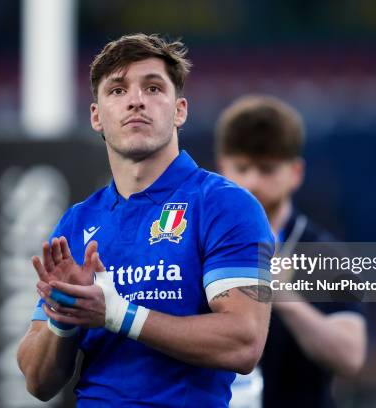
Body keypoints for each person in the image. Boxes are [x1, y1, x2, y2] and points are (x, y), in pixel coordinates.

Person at [16, 34, 275, 407]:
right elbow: (38, 383)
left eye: (153, 87)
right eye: (118, 90)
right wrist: (63, 315)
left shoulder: (226, 205)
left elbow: (244, 341)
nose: (136, 99)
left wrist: (116, 313)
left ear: (180, 110)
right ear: (96, 116)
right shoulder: (78, 221)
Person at [215, 95, 367, 407]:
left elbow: (351, 355)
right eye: (241, 168)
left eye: (267, 169)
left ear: (295, 172)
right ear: (222, 169)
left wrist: (284, 296)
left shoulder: (323, 254)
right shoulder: (202, 242)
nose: (252, 181)